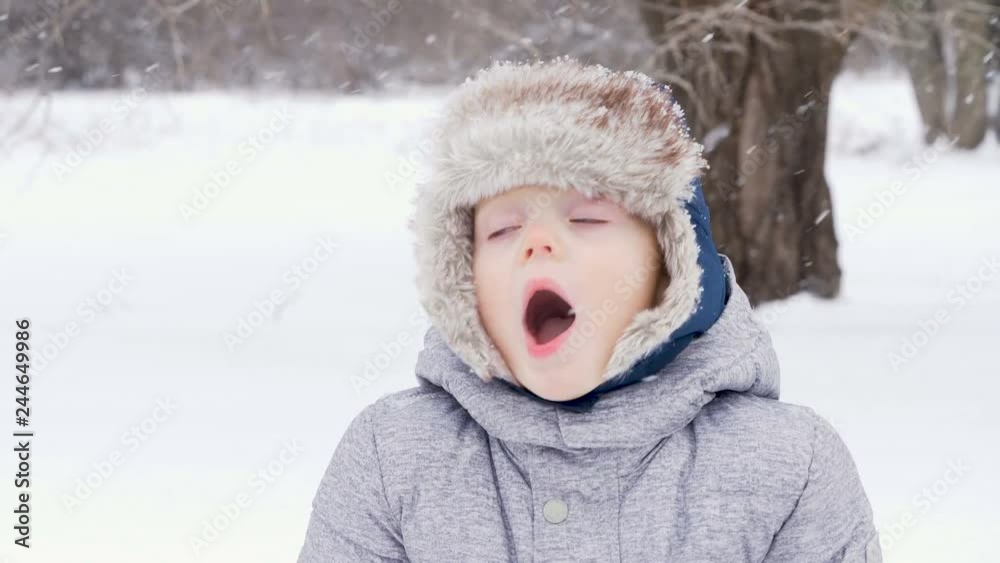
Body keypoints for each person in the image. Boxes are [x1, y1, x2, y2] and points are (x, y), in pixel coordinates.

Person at [296, 58, 882, 562]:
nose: (537, 243)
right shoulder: (393, 456)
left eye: (587, 218)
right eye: (501, 230)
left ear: (669, 262)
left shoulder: (787, 467)